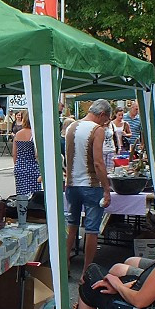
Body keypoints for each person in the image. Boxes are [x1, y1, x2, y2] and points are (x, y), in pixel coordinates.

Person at [65, 100, 113, 272]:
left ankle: (65, 264)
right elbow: (99, 162)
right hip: (91, 185)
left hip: (71, 184)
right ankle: (87, 271)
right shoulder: (96, 130)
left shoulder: (71, 126)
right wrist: (107, 188)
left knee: (72, 225)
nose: (105, 124)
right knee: (92, 230)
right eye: (106, 120)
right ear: (102, 115)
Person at [12, 111, 40, 197]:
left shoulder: (18, 134)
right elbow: (37, 154)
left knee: (21, 196)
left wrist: (17, 165)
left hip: (20, 167)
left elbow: (14, 154)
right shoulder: (35, 135)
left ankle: (21, 210)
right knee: (34, 197)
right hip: (33, 168)